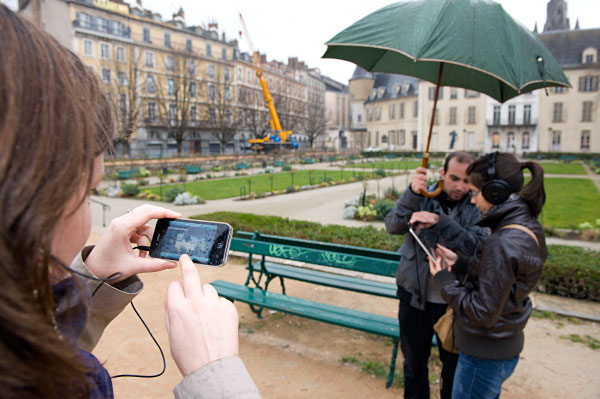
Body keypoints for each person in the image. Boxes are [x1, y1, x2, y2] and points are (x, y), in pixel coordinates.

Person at [0, 5, 259, 399]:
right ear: (28, 200)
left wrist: (92, 274)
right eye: (87, 192)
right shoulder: (77, 384)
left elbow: (30, 345)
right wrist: (216, 376)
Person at [428, 152, 547, 399]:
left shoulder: (502, 241)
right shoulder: (526, 225)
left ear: (494, 193)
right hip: (501, 346)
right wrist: (460, 262)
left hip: (484, 353)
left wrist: (443, 280)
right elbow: (503, 279)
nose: (471, 201)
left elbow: (482, 312)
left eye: (474, 193)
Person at [384, 152, 487, 399]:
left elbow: (478, 247)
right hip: (414, 298)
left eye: (466, 181)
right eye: (454, 178)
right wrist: (411, 192)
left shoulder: (477, 206)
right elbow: (393, 226)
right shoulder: (421, 196)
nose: (460, 187)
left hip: (454, 304)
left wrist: (440, 222)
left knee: (453, 368)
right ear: (442, 174)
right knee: (414, 365)